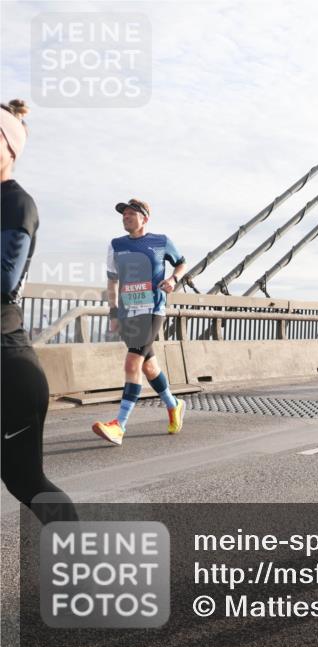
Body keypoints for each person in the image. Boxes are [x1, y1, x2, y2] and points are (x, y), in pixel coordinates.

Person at [1, 99, 78, 523]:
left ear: (10, 150)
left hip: (8, 370)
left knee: (25, 481)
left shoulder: (15, 204)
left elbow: (4, 281)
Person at [92, 198, 188, 446]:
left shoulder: (161, 241)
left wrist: (173, 280)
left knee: (132, 361)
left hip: (152, 310)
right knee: (148, 367)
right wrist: (114, 312)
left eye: (131, 214)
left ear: (145, 218)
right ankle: (173, 404)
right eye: (123, 214)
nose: (126, 217)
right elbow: (112, 281)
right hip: (128, 313)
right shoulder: (116, 245)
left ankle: (119, 426)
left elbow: (181, 263)